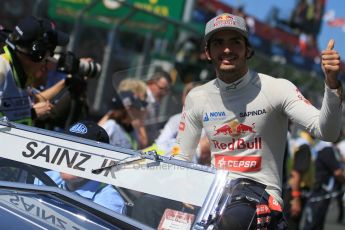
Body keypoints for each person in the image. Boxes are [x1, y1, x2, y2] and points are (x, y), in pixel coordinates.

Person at [175, 12, 342, 229]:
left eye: (235, 42)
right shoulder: (197, 97)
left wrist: (332, 85)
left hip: (260, 198)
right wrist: (181, 194)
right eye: (218, 43)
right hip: (214, 195)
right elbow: (181, 157)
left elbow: (327, 132)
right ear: (208, 52)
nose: (227, 49)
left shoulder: (277, 88)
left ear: (248, 50)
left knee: (234, 220)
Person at [35, 120, 126, 214]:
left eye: (79, 152)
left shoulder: (107, 202)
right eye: (64, 147)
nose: (67, 156)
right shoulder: (42, 179)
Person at [0, 16, 69, 125]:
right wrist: (32, 114)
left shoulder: (21, 74)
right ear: (38, 54)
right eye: (50, 51)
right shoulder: (2, 70)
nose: (49, 58)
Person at [303, 139, 345, 230]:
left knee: (317, 223)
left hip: (322, 190)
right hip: (320, 191)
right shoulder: (327, 149)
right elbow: (337, 172)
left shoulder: (328, 148)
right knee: (313, 223)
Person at [99, 78, 148, 149]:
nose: (143, 109)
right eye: (140, 103)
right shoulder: (111, 125)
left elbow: (143, 144)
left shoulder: (133, 131)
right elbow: (94, 140)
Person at [284, 130, 315, 230]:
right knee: (292, 225)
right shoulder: (304, 146)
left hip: (293, 189)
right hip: (296, 190)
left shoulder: (299, 142)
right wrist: (296, 199)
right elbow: (296, 173)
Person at [144, 70, 172, 145]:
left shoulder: (154, 102)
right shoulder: (143, 99)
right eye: (162, 88)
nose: (164, 93)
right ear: (150, 83)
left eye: (167, 90)